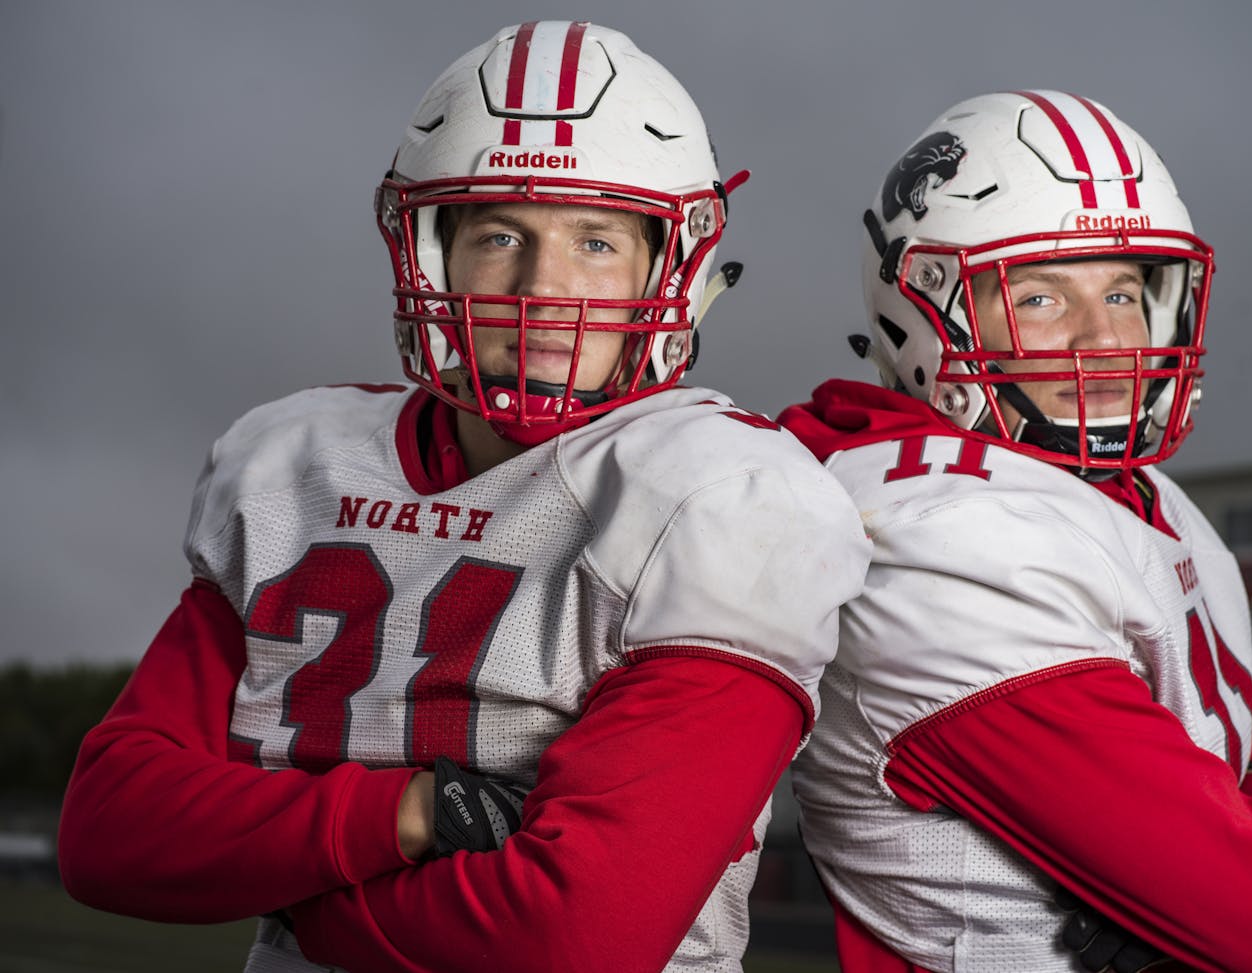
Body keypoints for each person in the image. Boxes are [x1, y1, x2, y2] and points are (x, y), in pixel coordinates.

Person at [57, 21, 869, 973]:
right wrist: (407, 813)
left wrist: (287, 886)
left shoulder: (725, 493)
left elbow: (576, 936)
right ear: (428, 253)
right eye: (498, 236)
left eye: (598, 240)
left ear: (672, 265)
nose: (543, 289)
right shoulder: (292, 463)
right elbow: (110, 830)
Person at [778, 90, 1252, 972]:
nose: (1106, 339)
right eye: (1041, 296)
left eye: (1124, 290)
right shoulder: (941, 535)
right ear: (926, 313)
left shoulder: (1145, 494)